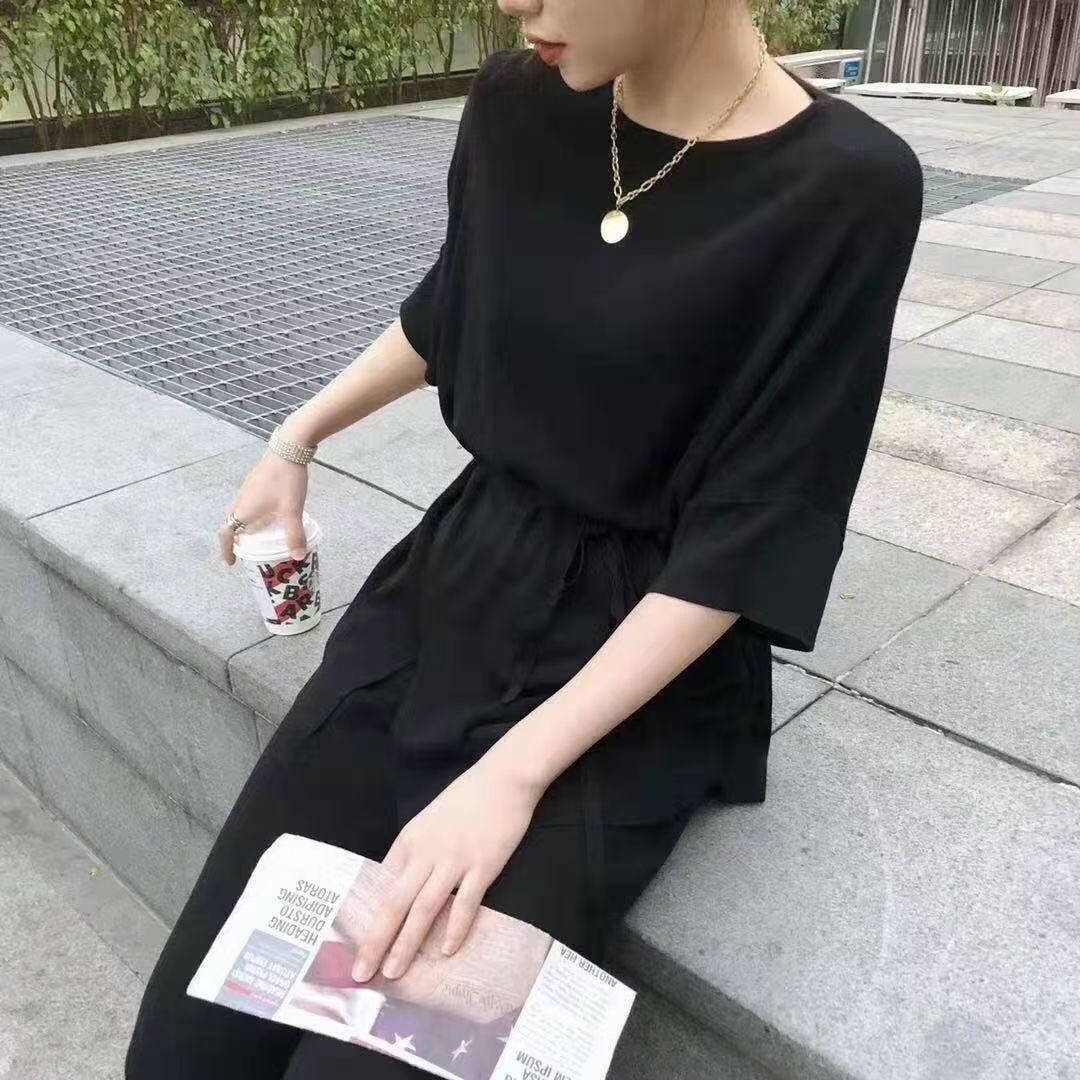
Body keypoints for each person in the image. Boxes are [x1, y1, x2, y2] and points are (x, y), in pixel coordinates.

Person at [125, 0, 923, 1075]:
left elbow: (758, 521)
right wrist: (297, 435)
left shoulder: (848, 186)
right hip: (456, 584)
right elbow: (457, 301)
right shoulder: (518, 104)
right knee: (187, 1050)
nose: (513, 3)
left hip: (643, 663)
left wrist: (511, 777)